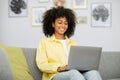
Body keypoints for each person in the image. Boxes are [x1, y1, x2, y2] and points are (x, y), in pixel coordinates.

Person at [36, 7, 102, 80]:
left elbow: (79, 62)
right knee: (74, 74)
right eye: (60, 22)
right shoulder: (44, 43)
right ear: (53, 24)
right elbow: (42, 64)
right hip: (55, 75)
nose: (63, 26)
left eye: (65, 23)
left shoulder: (73, 43)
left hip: (75, 71)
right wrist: (59, 68)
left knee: (94, 73)